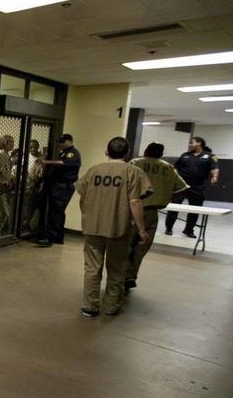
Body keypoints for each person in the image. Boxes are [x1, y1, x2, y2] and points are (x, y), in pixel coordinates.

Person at [75, 137, 152, 317]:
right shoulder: (133, 172)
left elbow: (82, 198)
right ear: (127, 153)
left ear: (106, 151)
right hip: (119, 227)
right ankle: (111, 306)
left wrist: (88, 217)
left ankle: (89, 306)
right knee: (117, 267)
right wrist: (141, 229)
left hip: (93, 227)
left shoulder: (94, 171)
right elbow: (135, 202)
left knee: (92, 266)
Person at [127, 143, 188, 292]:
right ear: (161, 154)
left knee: (126, 245)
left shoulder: (135, 163)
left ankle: (124, 274)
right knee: (142, 247)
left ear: (146, 150)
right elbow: (182, 189)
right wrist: (166, 196)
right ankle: (131, 276)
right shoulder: (168, 167)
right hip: (152, 212)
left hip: (132, 210)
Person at [165, 136, 219, 238]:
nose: (190, 145)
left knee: (195, 209)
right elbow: (175, 168)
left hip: (197, 186)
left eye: (191, 143)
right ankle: (169, 228)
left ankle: (188, 230)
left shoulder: (211, 156)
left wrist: (215, 177)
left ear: (199, 143)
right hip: (181, 185)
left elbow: (214, 168)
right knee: (174, 207)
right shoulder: (185, 155)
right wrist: (175, 179)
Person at [37, 133, 81, 246]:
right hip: (59, 186)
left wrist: (46, 162)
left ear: (70, 141)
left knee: (55, 212)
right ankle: (58, 236)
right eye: (60, 142)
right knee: (59, 212)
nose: (60, 144)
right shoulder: (64, 152)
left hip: (62, 186)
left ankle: (49, 238)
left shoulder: (72, 153)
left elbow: (63, 163)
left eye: (63, 142)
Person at [21, 140, 44, 234]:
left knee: (31, 207)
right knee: (25, 206)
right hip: (26, 184)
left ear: (38, 147)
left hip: (36, 184)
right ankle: (23, 225)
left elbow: (42, 172)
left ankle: (27, 225)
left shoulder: (41, 157)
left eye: (35, 147)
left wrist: (37, 183)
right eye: (31, 147)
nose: (33, 149)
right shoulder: (26, 157)